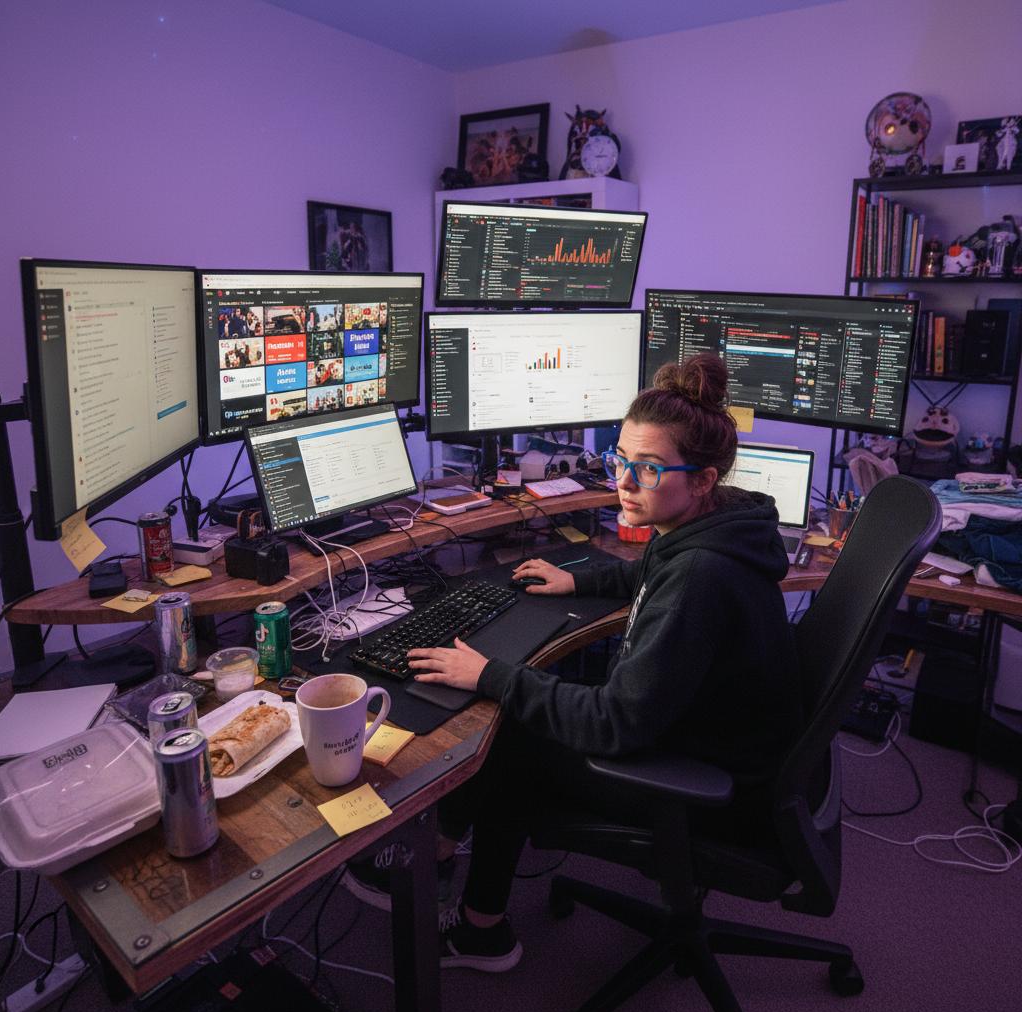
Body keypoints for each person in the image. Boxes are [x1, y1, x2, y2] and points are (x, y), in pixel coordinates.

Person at [343, 354, 803, 971]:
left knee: (509, 737)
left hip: (712, 784)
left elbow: (614, 723)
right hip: (725, 741)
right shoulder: (717, 525)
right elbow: (652, 573)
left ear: (702, 480)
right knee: (529, 703)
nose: (624, 483)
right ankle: (443, 855)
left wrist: (489, 674)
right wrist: (580, 580)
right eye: (620, 459)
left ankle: (480, 929)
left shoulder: (701, 575)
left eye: (648, 469)